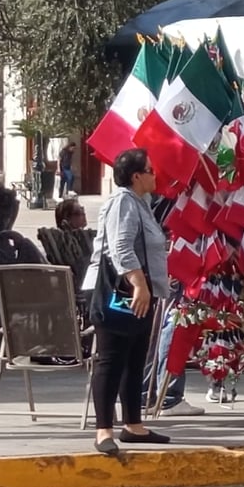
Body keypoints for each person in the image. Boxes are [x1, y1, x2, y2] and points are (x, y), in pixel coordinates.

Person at [83, 148, 170, 455]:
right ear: (137, 176)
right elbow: (120, 247)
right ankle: (103, 429)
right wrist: (139, 283)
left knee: (135, 359)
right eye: (150, 170)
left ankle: (133, 424)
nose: (155, 174)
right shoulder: (123, 202)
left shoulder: (141, 203)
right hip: (117, 291)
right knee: (111, 359)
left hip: (139, 292)